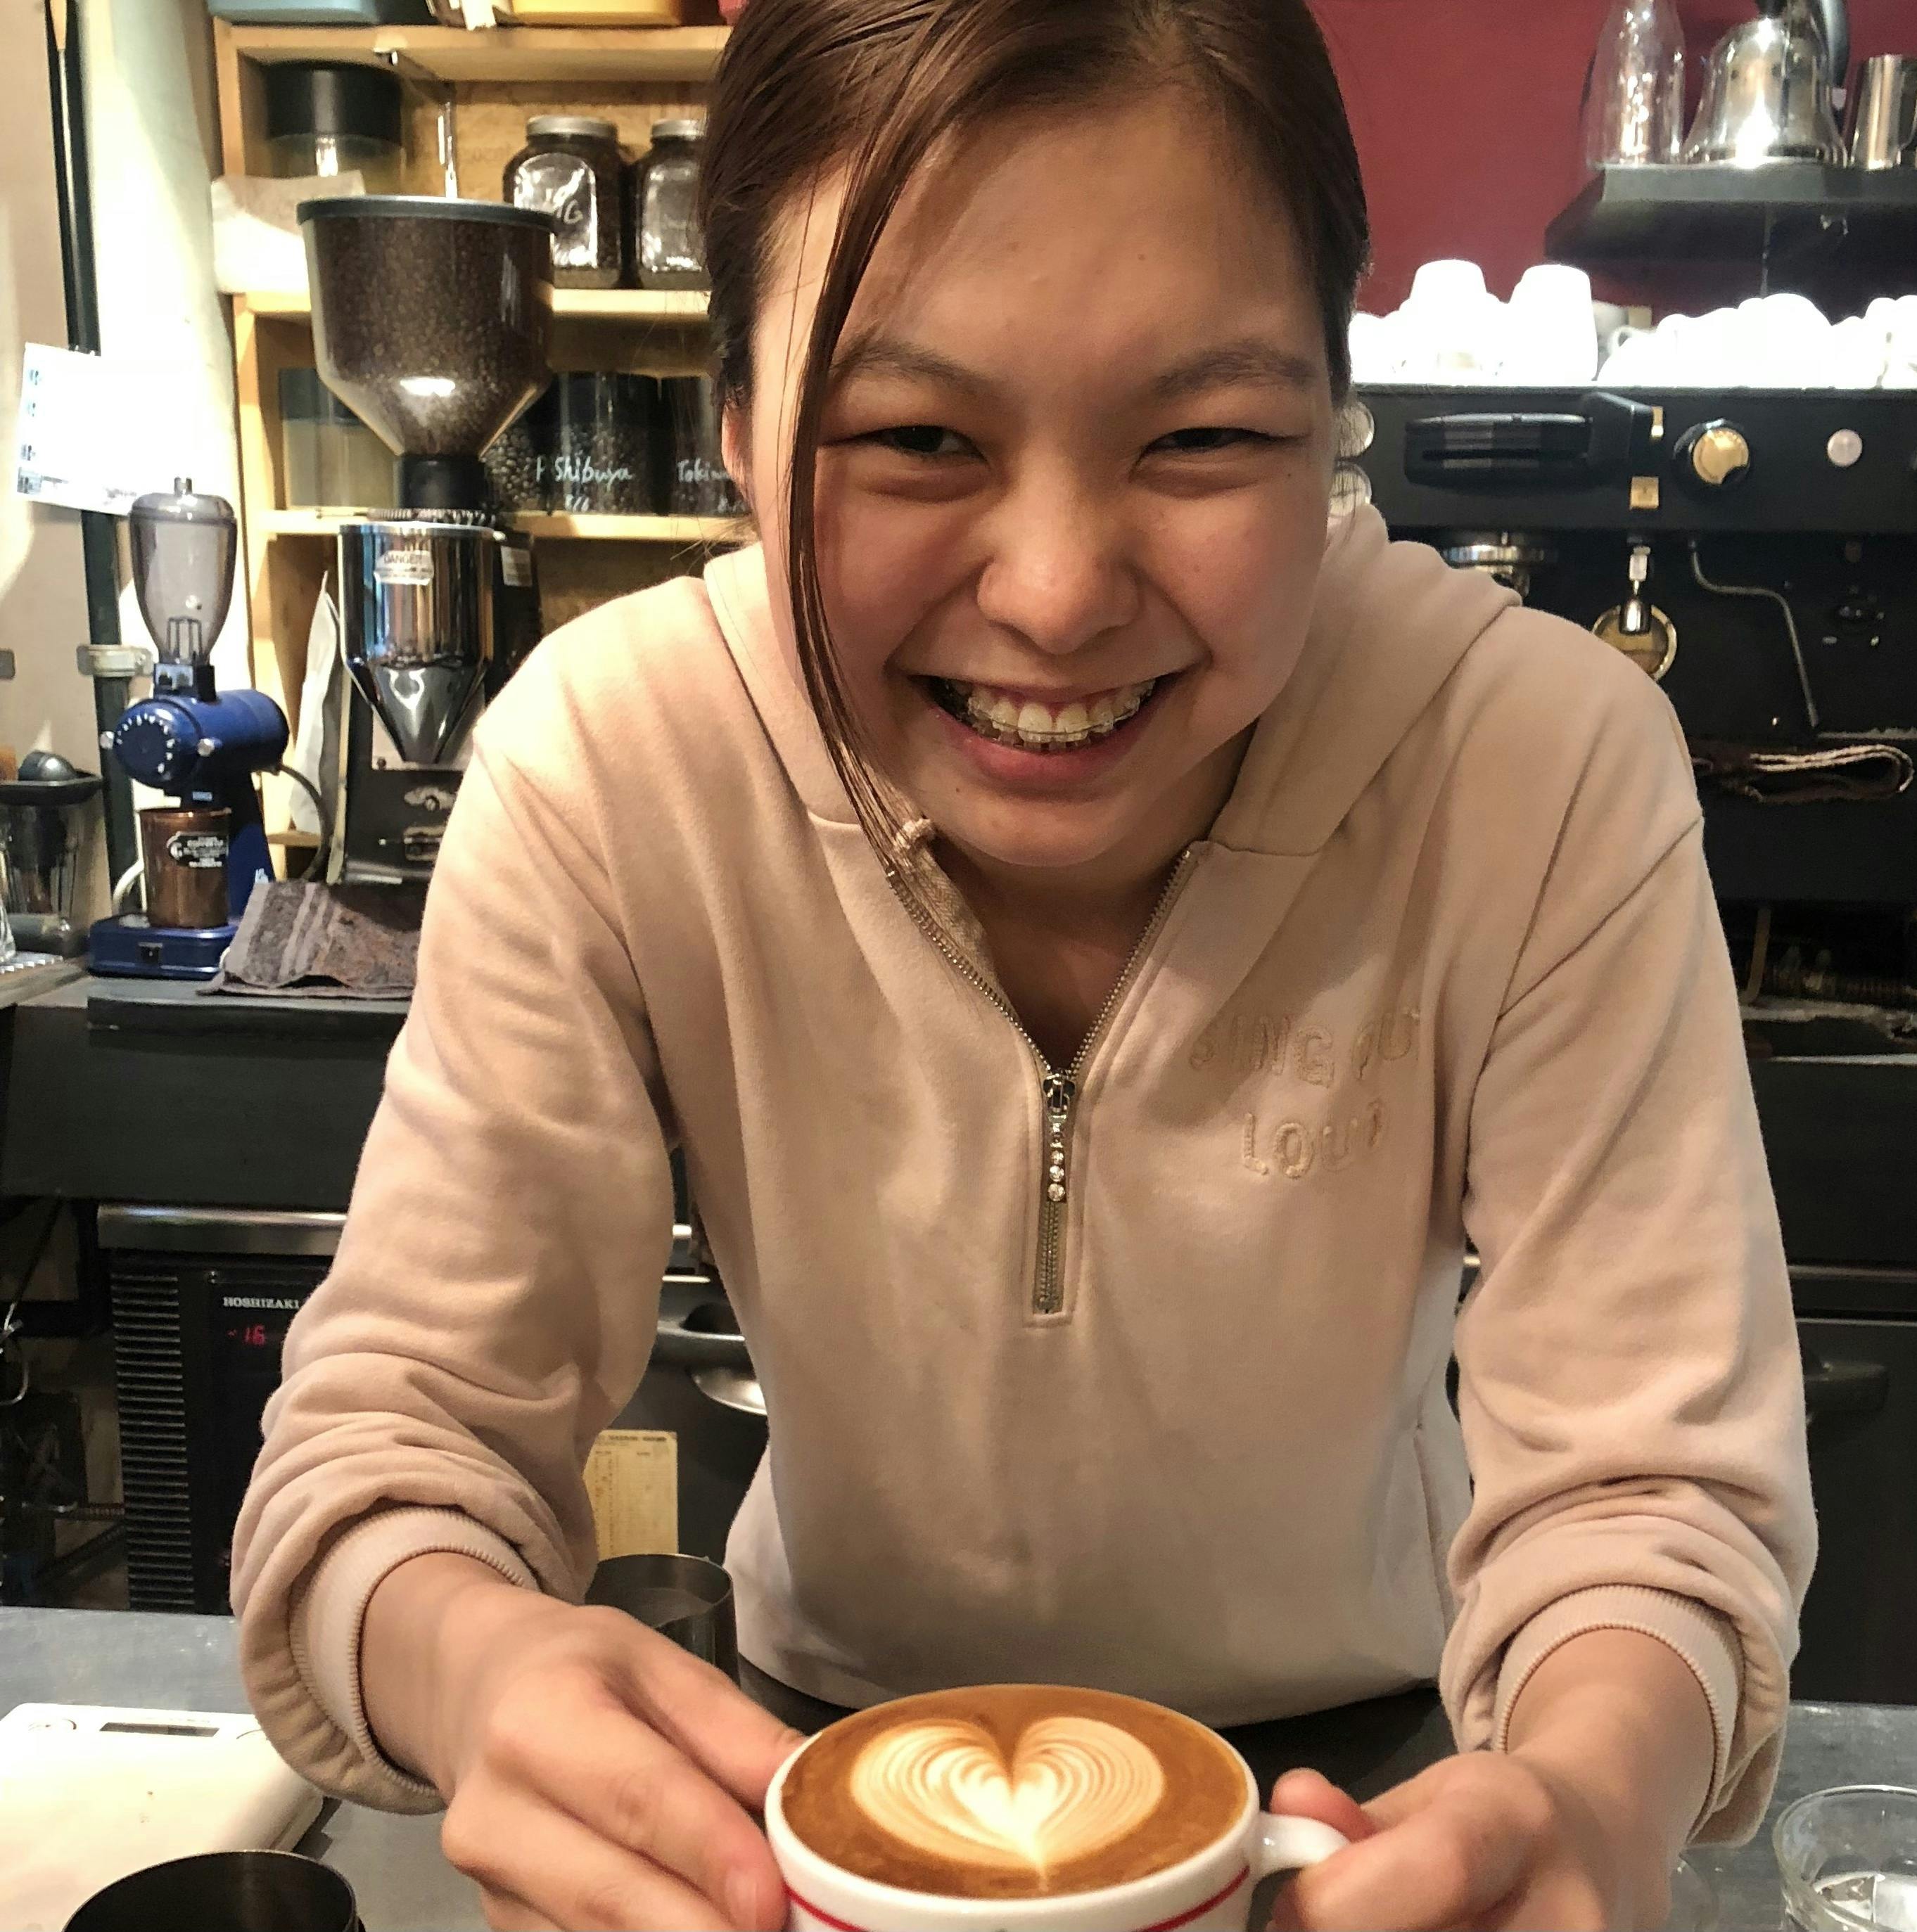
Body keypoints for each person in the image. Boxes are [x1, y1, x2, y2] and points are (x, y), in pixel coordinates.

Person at [233, 2, 1814, 1926]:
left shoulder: (1538, 767)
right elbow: (394, 1449)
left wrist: (1584, 1795)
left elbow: (1652, 1495)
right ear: (738, 438)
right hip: (811, 1792)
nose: (1058, 598)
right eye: (915, 436)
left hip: (1379, 1802)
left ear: (1335, 422)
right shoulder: (611, 768)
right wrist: (476, 1667)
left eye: (1205, 438)